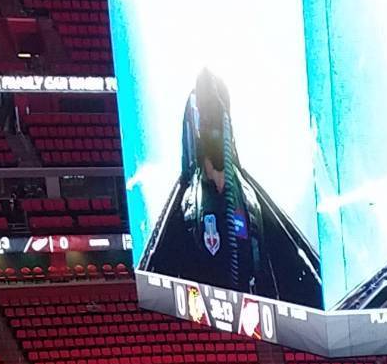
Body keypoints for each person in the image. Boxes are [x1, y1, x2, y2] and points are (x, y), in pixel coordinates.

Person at [138, 70, 322, 307]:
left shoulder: (248, 197)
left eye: (215, 119)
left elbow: (281, 262)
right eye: (206, 121)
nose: (212, 128)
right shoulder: (187, 203)